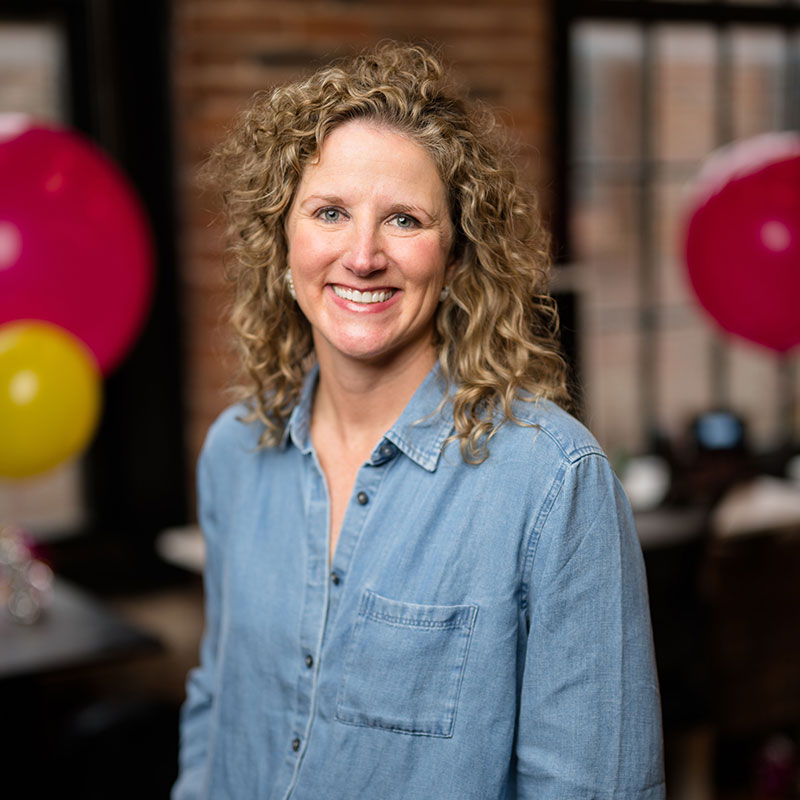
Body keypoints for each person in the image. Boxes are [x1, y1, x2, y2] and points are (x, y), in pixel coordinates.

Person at [173, 42, 665, 800]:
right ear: (283, 242)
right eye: (330, 212)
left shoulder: (552, 481)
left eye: (403, 219)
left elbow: (595, 788)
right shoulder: (235, 451)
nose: (362, 256)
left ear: (459, 255)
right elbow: (217, 706)